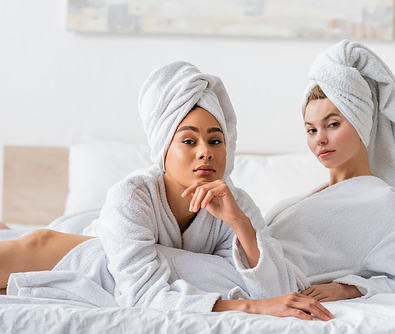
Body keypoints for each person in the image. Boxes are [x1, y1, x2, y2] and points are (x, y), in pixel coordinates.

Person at [0, 62, 333, 321]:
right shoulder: (131, 196)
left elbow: (280, 291)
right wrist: (250, 308)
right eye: (188, 141)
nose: (206, 152)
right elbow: (142, 296)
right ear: (163, 149)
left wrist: (240, 224)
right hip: (65, 247)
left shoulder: (235, 203)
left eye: (216, 140)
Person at [266, 39, 395, 302]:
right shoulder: (315, 195)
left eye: (333, 124)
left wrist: (350, 288)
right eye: (311, 129)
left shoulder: (383, 202)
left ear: (362, 122)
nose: (319, 139)